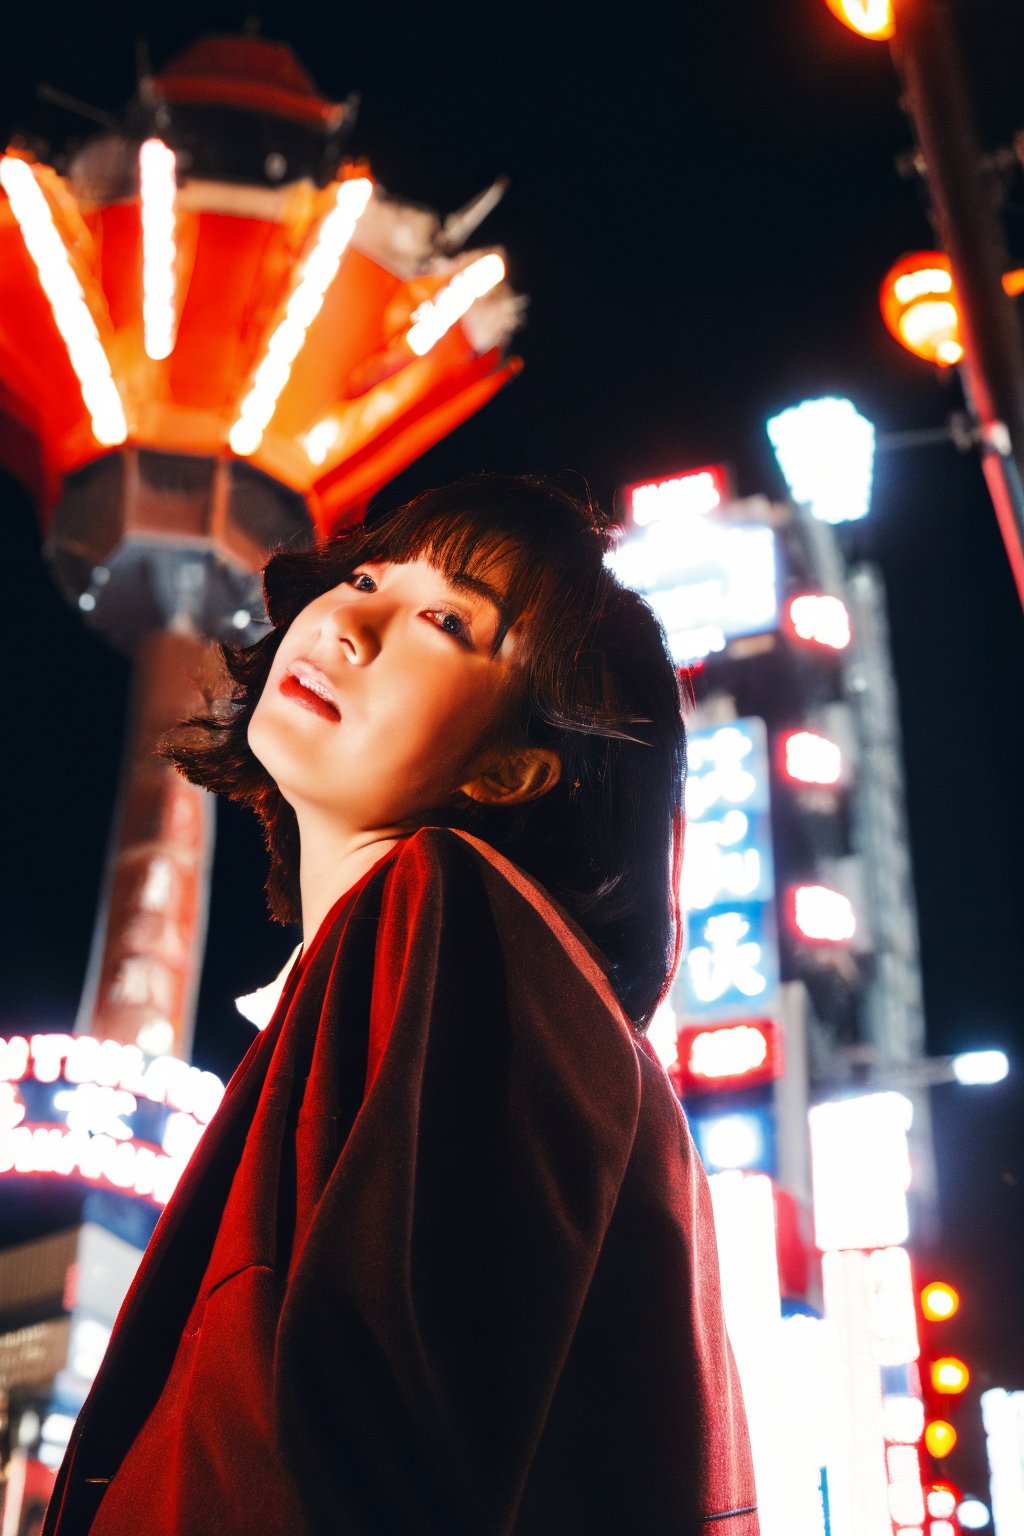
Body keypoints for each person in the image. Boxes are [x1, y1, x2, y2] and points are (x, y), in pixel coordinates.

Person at [43, 474, 759, 1535]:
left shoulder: (449, 919)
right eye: (367, 576)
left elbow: (358, 1442)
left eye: (446, 619)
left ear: (516, 768)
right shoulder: (518, 1001)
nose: (347, 619)